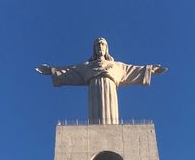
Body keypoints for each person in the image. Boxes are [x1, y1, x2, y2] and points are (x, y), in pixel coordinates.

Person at [36, 37, 167, 125]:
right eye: (97, 44)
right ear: (94, 48)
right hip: (94, 90)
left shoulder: (117, 66)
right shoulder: (87, 66)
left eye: (102, 44)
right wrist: (52, 71)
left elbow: (133, 70)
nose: (100, 46)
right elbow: (69, 71)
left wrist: (150, 70)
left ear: (106, 48)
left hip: (111, 91)